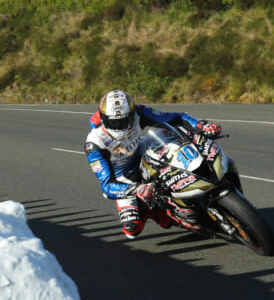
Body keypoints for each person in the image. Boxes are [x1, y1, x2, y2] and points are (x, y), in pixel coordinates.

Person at [85, 89, 222, 239]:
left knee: (174, 137)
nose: (121, 127)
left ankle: (200, 172)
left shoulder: (140, 112)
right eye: (114, 122)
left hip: (142, 151)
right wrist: (136, 189)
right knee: (132, 230)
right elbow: (107, 185)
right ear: (103, 118)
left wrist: (202, 127)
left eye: (125, 121)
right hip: (124, 178)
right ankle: (152, 210)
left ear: (132, 113)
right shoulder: (94, 144)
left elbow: (176, 118)